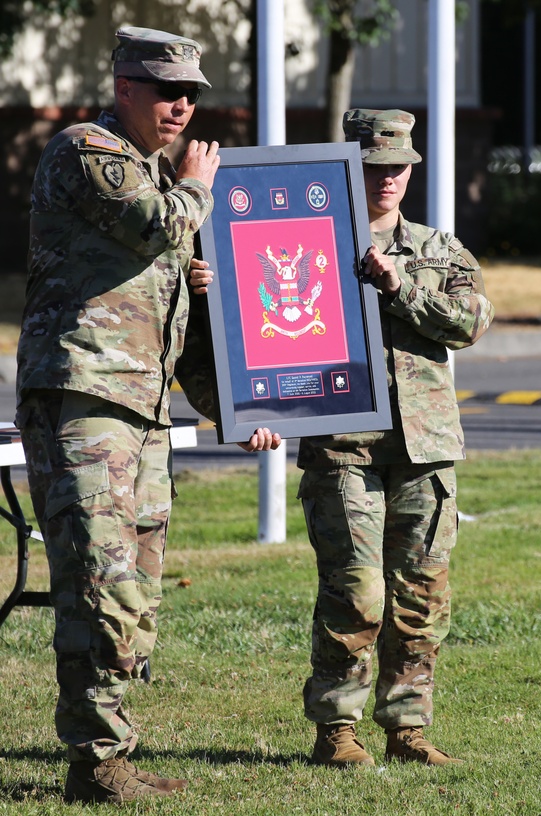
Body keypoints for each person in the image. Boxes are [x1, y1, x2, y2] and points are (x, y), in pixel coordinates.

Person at [15, 26, 280, 805]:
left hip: (144, 409)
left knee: (136, 588)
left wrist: (234, 409)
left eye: (193, 94)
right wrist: (197, 191)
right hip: (85, 397)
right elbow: (159, 226)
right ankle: (95, 763)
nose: (183, 107)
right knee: (98, 580)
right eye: (168, 91)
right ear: (125, 86)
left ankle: (109, 752)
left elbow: (176, 327)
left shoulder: (158, 178)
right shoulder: (87, 152)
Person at [296, 109, 494, 767]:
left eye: (397, 167)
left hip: (424, 445)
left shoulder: (439, 249)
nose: (386, 178)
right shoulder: (308, 243)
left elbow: (470, 321)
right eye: (373, 167)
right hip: (343, 445)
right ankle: (337, 729)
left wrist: (399, 284)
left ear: (412, 170)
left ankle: (408, 729)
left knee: (421, 596)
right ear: (350, 169)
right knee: (356, 592)